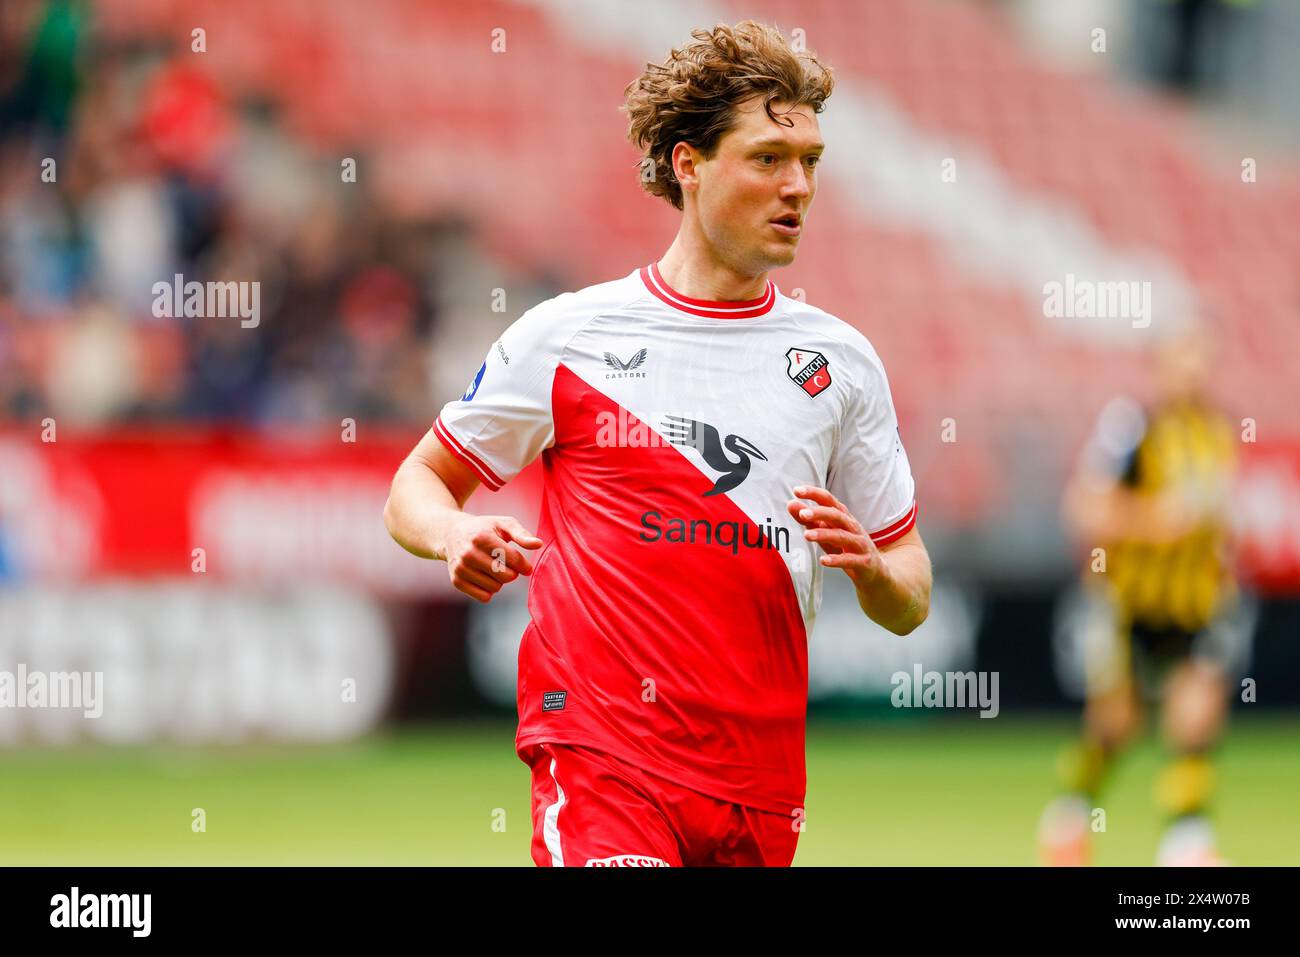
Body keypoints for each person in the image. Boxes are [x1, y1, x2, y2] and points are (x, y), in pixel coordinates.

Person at [384, 21, 931, 867]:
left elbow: (912, 594)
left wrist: (868, 566)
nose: (799, 188)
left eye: (811, 162)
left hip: (760, 785)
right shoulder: (571, 336)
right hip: (602, 756)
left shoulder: (840, 363)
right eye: (768, 159)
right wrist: (453, 530)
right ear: (689, 164)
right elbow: (416, 484)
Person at [1039, 326, 1238, 867]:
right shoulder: (1131, 427)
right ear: (1160, 365)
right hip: (1125, 601)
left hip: (1194, 605)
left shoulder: (1217, 432)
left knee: (1196, 713)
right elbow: (1082, 508)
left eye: (1202, 358)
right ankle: (1070, 815)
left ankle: (1186, 842)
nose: (1194, 371)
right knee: (1116, 724)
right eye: (1183, 357)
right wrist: (1156, 521)